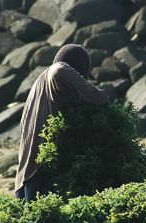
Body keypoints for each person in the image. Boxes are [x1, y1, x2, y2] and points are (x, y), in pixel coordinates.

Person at [15, 44, 110, 202]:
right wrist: (101, 97)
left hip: (25, 178)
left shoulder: (40, 87)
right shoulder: (59, 70)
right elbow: (100, 99)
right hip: (40, 175)